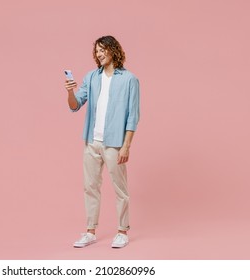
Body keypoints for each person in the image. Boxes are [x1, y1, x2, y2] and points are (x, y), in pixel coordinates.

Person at [65, 35, 140, 248]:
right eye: (96, 51)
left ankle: (122, 231)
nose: (99, 54)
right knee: (90, 187)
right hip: (91, 142)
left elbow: (133, 116)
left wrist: (126, 145)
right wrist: (70, 90)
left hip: (115, 143)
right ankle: (90, 232)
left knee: (120, 189)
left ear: (113, 49)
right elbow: (75, 105)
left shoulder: (129, 79)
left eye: (102, 49)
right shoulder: (91, 77)